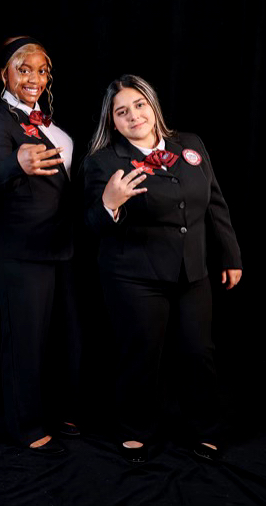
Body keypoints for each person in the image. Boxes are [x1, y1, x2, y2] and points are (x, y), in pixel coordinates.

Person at [83, 74, 242, 463]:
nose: (133, 115)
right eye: (122, 112)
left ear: (152, 107)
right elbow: (92, 225)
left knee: (198, 352)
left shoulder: (190, 145)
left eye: (139, 105)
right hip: (134, 275)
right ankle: (135, 430)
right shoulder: (103, 162)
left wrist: (230, 255)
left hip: (192, 271)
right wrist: (110, 203)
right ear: (113, 122)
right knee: (141, 354)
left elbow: (215, 202)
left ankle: (205, 429)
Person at [0, 37, 81, 456]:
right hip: (20, 252)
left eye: (41, 71)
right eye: (24, 70)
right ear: (5, 73)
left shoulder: (47, 122)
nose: (34, 79)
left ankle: (60, 409)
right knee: (24, 340)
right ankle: (25, 424)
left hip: (62, 246)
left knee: (62, 337)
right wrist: (16, 164)